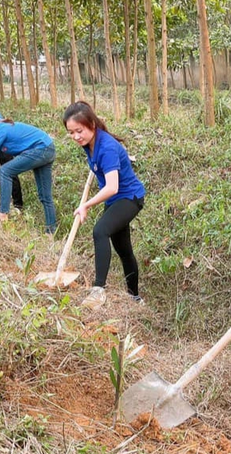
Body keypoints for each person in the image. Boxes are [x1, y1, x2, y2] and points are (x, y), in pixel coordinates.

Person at [62, 101, 146, 308]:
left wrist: (86, 205)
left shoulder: (106, 147)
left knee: (100, 231)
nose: (75, 137)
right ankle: (135, 297)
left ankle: (98, 290)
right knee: (124, 250)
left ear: (91, 124)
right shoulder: (90, 143)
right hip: (116, 200)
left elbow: (112, 187)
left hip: (129, 198)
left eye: (79, 131)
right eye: (71, 133)